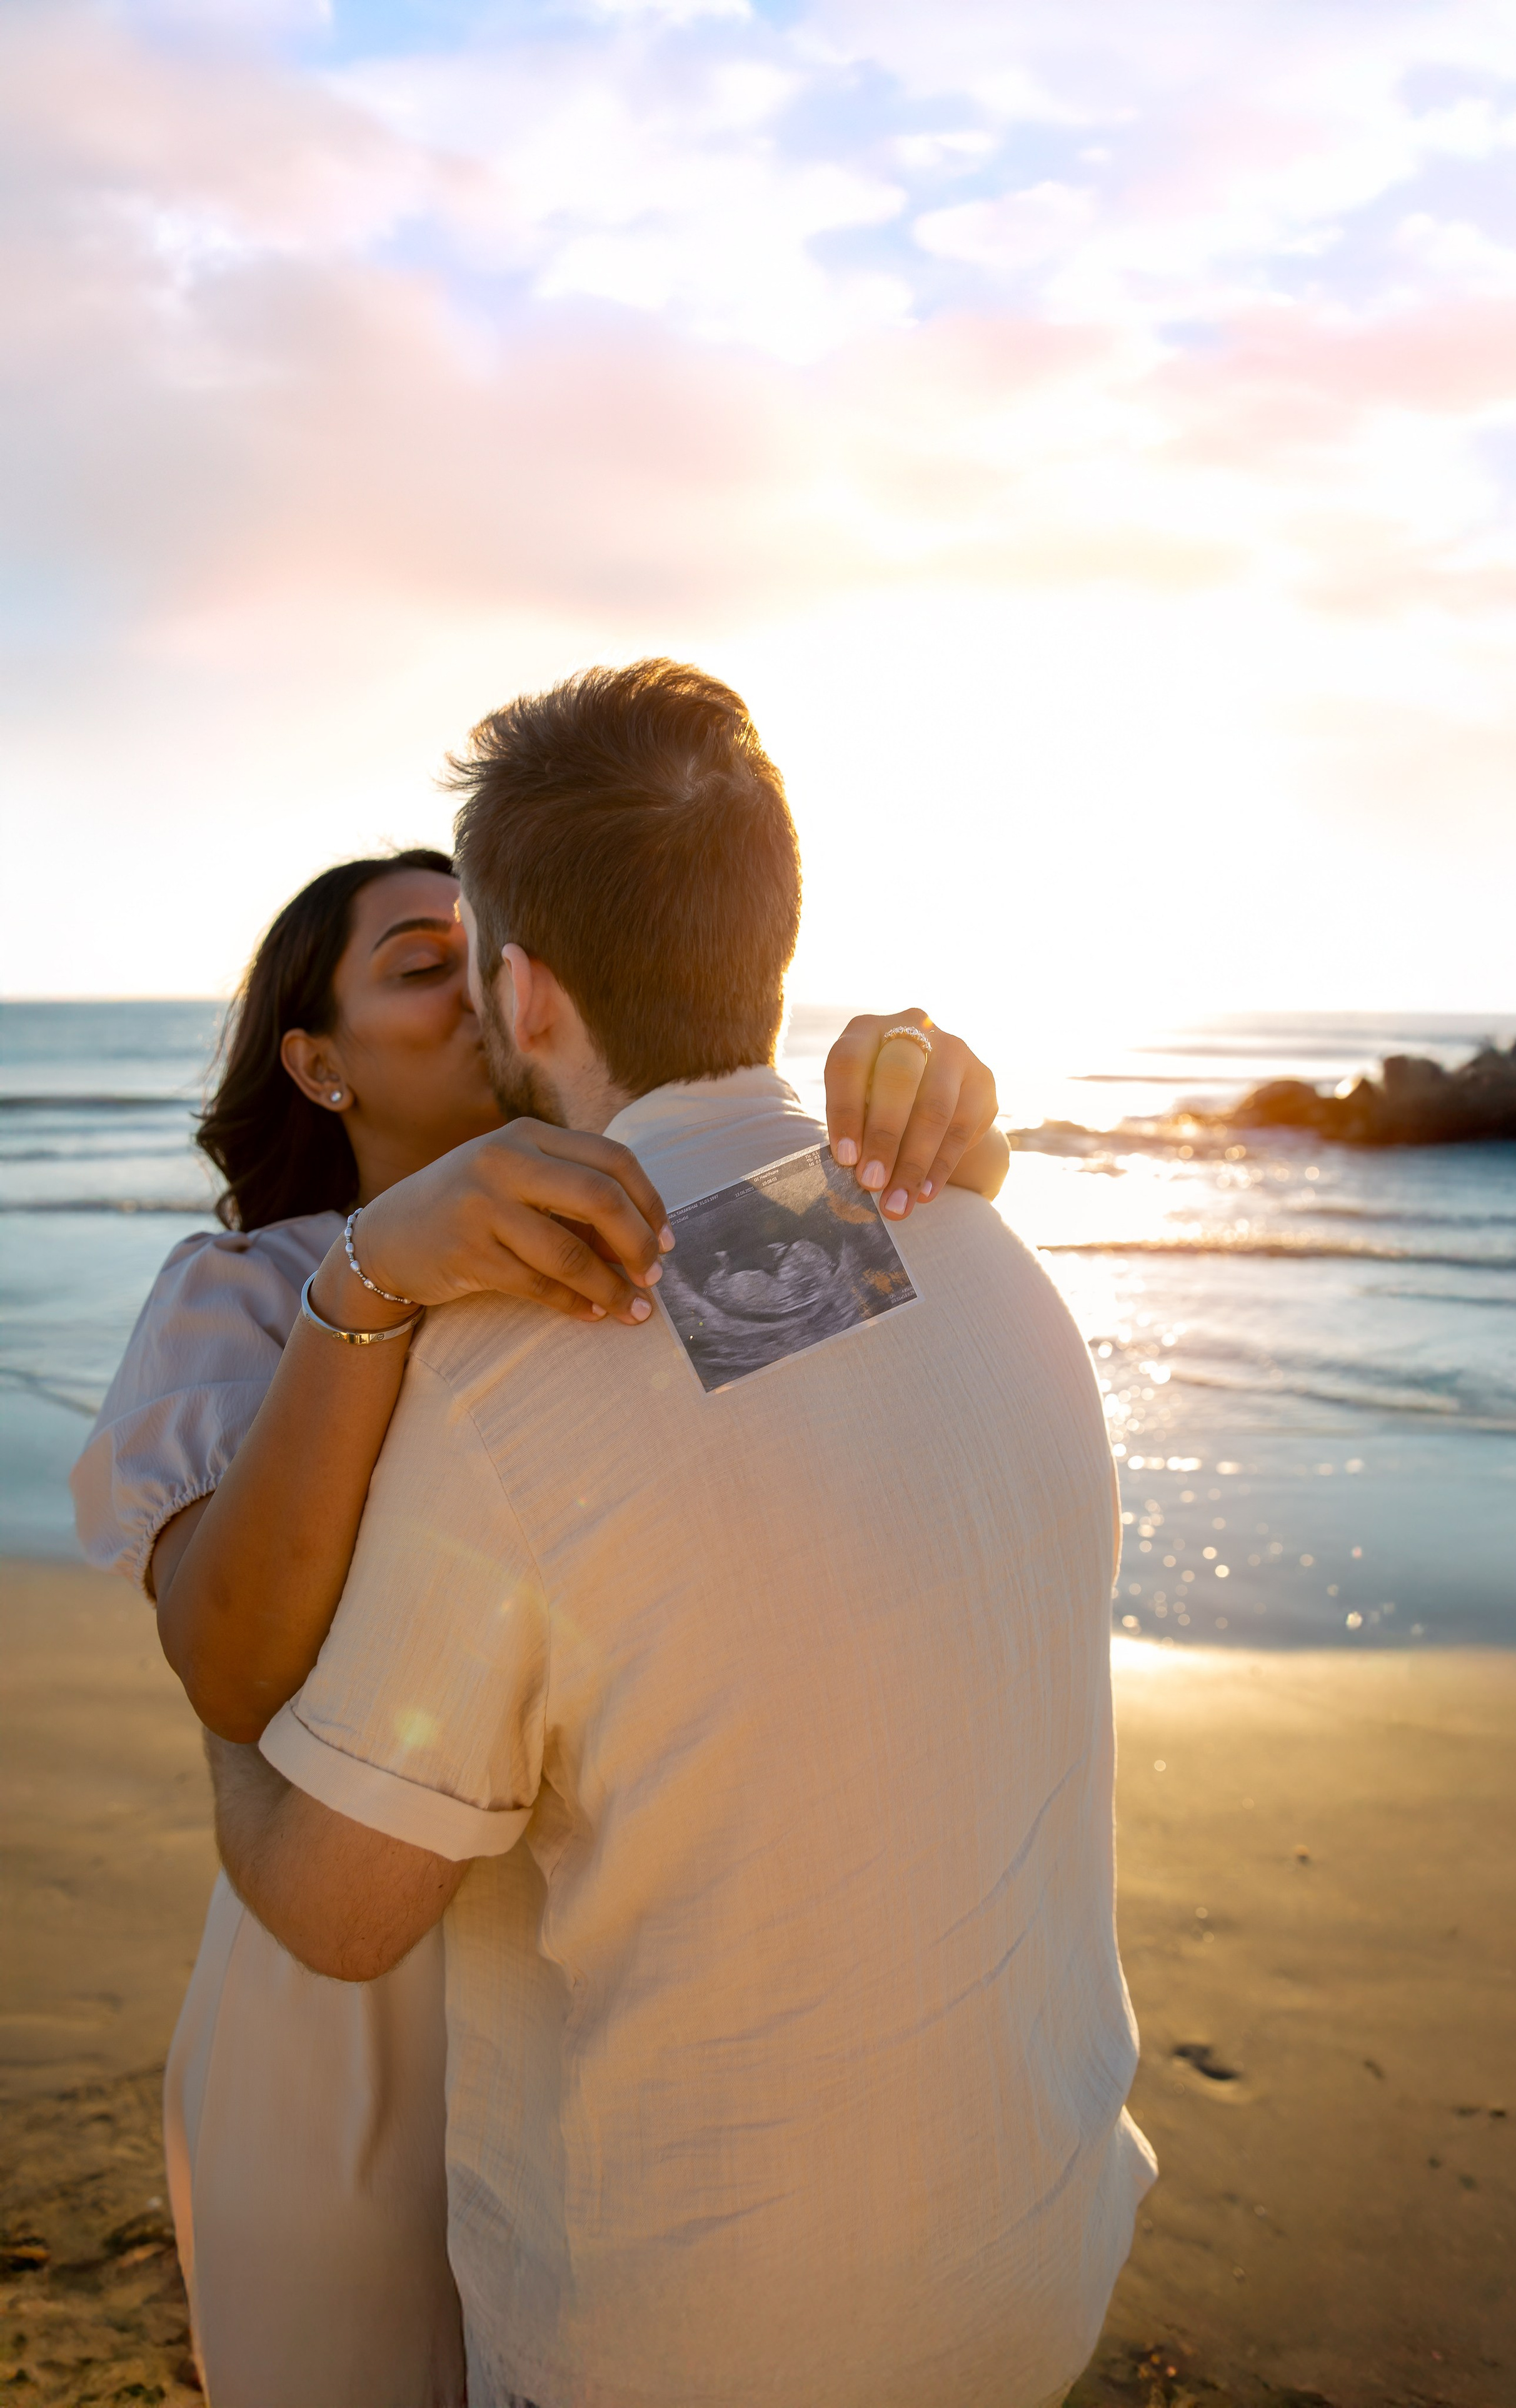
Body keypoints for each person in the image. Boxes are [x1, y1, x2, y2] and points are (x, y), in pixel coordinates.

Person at [214, 659, 1156, 2408]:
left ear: (526, 988)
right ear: (765, 939)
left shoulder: (515, 1373)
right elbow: (737, 1399)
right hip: (1038, 2258)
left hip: (700, 2350)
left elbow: (339, 1914)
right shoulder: (958, 1235)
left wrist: (232, 1701)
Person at [72, 841, 1008, 2408]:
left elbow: (856, 1390)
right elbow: (229, 1668)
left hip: (598, 1987)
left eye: (481, 951)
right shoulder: (242, 1295)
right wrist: (377, 1272)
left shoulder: (648, 1249)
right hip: (346, 2009)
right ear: (318, 1063)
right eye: (417, 965)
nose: (475, 986)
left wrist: (921, 1133)